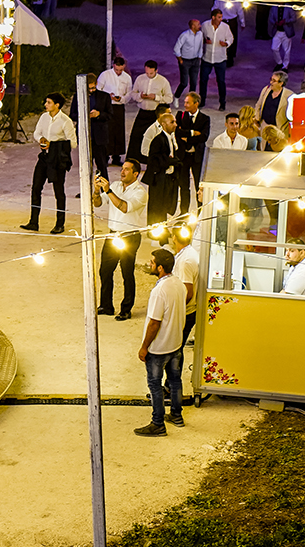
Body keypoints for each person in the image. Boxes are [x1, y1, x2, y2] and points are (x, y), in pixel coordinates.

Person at [136, 248, 187, 436]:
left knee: (155, 385)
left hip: (159, 348)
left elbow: (154, 323)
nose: (149, 265)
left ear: (159, 267)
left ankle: (157, 423)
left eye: (151, 262)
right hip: (176, 344)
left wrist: (144, 347)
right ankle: (176, 415)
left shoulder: (159, 291)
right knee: (175, 381)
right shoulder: (179, 284)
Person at [93, 160, 148, 320]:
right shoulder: (116, 186)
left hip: (130, 236)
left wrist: (108, 190)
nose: (122, 172)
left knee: (127, 272)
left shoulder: (140, 192)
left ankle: (126, 308)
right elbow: (97, 204)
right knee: (105, 270)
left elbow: (124, 207)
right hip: (113, 234)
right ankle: (106, 305)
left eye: (126, 169)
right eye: (122, 168)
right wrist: (97, 192)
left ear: (135, 173)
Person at [22, 92, 74, 234]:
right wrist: (41, 140)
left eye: (49, 102)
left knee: (58, 191)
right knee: (36, 187)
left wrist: (54, 144)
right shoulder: (44, 117)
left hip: (57, 159)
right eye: (46, 102)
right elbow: (36, 133)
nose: (46, 104)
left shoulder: (65, 121)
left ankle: (59, 223)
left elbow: (72, 142)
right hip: (44, 157)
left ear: (57, 105)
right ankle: (33, 222)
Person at [145, 110, 186, 225]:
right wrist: (171, 161)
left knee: (164, 206)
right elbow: (153, 160)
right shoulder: (158, 140)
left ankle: (161, 230)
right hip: (158, 180)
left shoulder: (170, 137)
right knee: (156, 206)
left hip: (168, 178)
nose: (175, 125)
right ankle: (155, 232)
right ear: (164, 124)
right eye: (172, 122)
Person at [128, 61, 173, 164]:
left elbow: (169, 98)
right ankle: (135, 160)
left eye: (151, 73)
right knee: (136, 136)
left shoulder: (163, 81)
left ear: (156, 71)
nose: (148, 75)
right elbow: (133, 93)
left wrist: (156, 97)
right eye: (147, 73)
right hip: (143, 112)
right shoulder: (140, 78)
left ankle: (153, 160)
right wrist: (140, 96)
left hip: (155, 114)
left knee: (154, 137)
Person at [71, 74, 111, 179]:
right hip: (85, 135)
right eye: (89, 89)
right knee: (85, 165)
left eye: (93, 88)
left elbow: (110, 115)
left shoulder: (104, 96)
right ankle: (86, 189)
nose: (91, 90)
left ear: (96, 84)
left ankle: (104, 189)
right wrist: (84, 116)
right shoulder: (78, 96)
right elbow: (72, 114)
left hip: (99, 136)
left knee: (101, 164)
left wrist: (98, 114)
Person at [176, 93, 210, 204]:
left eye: (187, 102)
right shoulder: (180, 115)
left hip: (197, 157)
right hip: (183, 156)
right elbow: (177, 132)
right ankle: (184, 213)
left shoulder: (205, 119)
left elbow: (204, 137)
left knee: (199, 187)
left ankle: (200, 213)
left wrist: (187, 139)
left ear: (196, 104)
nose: (184, 105)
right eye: (185, 102)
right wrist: (192, 133)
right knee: (184, 187)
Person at [169, 223, 199, 346]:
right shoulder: (188, 253)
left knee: (175, 348)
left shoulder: (185, 261)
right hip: (186, 310)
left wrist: (173, 310)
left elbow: (187, 292)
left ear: (174, 237)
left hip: (185, 312)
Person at [98, 58, 131, 165]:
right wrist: (108, 97)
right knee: (108, 130)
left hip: (119, 107)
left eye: (120, 70)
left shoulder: (127, 78)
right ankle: (106, 155)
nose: (118, 72)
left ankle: (117, 156)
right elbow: (99, 89)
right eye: (117, 70)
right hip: (107, 106)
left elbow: (129, 93)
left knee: (119, 131)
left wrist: (121, 98)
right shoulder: (105, 75)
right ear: (113, 65)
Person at [199, 10, 234, 109]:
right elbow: (200, 36)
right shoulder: (205, 25)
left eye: (221, 17)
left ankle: (222, 102)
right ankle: (202, 100)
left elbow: (231, 38)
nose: (221, 19)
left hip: (220, 58)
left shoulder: (225, 27)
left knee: (221, 81)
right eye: (219, 17)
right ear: (213, 17)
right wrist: (204, 41)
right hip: (207, 58)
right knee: (203, 80)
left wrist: (226, 43)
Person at [253, 71, 292, 138]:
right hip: (265, 127)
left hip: (279, 130)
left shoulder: (289, 96)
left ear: (281, 83)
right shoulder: (266, 90)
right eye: (271, 79)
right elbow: (258, 105)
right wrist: (257, 118)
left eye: (274, 81)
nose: (271, 82)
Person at [172, 19, 203, 100]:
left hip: (195, 60)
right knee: (184, 83)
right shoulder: (185, 35)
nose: (200, 26)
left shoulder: (200, 34)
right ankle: (176, 96)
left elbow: (201, 46)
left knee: (193, 83)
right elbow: (176, 48)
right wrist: (180, 59)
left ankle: (191, 100)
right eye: (198, 24)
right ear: (193, 26)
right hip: (185, 61)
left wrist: (199, 57)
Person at [216, 0, 243, 67]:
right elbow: (240, 12)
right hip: (232, 22)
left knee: (221, 39)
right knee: (232, 39)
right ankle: (230, 59)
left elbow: (214, 9)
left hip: (222, 21)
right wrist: (242, 22)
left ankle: (221, 57)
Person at [269, 3, 296, 70]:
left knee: (287, 50)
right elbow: (270, 18)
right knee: (274, 48)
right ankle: (279, 63)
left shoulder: (289, 7)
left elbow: (294, 18)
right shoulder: (273, 7)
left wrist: (285, 21)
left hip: (286, 32)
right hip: (277, 31)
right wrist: (275, 22)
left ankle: (285, 66)